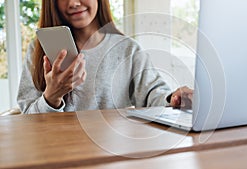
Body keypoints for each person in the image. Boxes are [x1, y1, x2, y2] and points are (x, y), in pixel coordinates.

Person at [17, 0, 193, 114]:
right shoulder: (39, 50)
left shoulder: (126, 49)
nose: (74, 3)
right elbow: (27, 119)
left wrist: (173, 98)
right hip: (55, 152)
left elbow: (152, 94)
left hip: (112, 152)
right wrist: (51, 97)